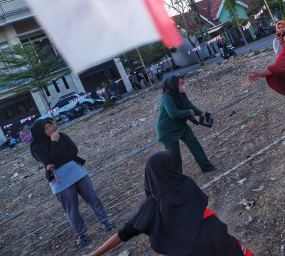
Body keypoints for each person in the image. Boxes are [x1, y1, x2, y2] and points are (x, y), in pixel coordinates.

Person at [82, 151, 252, 256]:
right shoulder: (187, 183)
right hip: (216, 231)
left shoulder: (152, 204)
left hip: (190, 248)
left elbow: (124, 233)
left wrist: (95, 254)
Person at [30, 118, 114, 248]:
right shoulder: (37, 147)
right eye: (46, 128)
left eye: (50, 126)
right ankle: (81, 234)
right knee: (72, 208)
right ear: (39, 132)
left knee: (92, 197)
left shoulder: (62, 136)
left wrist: (57, 161)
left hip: (77, 172)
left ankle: (104, 221)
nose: (50, 129)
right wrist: (54, 143)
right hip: (61, 181)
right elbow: (50, 159)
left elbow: (73, 151)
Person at [157, 75, 216, 174]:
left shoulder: (180, 94)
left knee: (195, 145)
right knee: (175, 156)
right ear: (173, 85)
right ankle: (178, 178)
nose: (182, 85)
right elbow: (173, 114)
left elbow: (189, 104)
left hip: (181, 126)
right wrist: (189, 113)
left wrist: (200, 114)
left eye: (183, 83)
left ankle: (207, 167)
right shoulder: (167, 98)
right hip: (167, 131)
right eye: (180, 83)